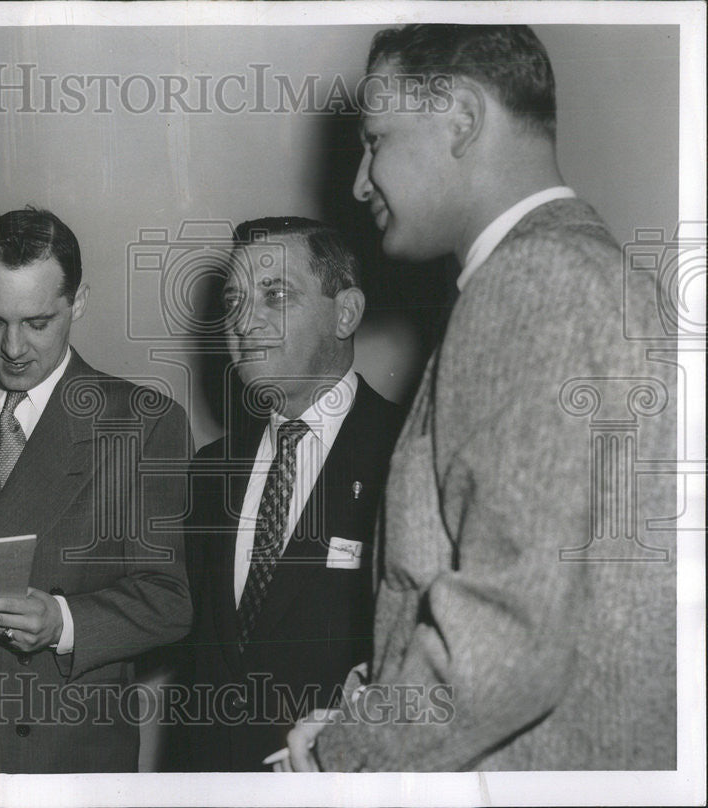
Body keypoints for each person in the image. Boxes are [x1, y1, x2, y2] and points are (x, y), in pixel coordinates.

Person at [284, 24, 675, 772]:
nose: (361, 182)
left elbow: (507, 632)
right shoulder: (597, 272)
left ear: (461, 117)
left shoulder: (531, 287)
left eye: (377, 141)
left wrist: (344, 755)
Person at [0, 207, 192, 773]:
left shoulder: (143, 422)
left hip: (64, 753)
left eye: (37, 322)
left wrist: (64, 621)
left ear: (80, 303)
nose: (13, 347)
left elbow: (168, 603)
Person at [184, 217, 403, 771]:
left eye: (275, 295)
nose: (245, 320)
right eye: (233, 300)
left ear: (345, 312)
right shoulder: (210, 472)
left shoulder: (408, 456)